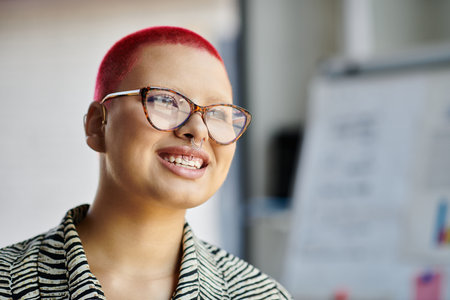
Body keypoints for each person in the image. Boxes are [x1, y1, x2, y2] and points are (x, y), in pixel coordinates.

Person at [0, 26, 291, 299]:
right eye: (165, 101)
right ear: (97, 125)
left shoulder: (262, 295)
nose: (199, 129)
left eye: (218, 114)